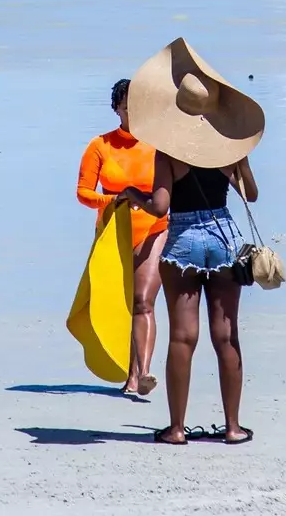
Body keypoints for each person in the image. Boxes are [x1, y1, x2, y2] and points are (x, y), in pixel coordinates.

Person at [115, 40, 263, 446]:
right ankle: (233, 428)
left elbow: (160, 203)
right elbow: (251, 195)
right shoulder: (226, 148)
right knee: (226, 334)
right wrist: (243, 161)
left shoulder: (168, 151)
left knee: (183, 337)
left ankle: (177, 429)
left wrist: (133, 195)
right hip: (224, 237)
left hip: (182, 239)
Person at [76, 77, 171, 399]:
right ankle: (126, 370)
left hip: (155, 228)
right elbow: (84, 194)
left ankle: (141, 374)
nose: (135, 112)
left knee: (143, 301)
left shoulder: (161, 144)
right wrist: (112, 201)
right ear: (117, 108)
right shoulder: (100, 145)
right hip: (113, 232)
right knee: (119, 305)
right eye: (128, 106)